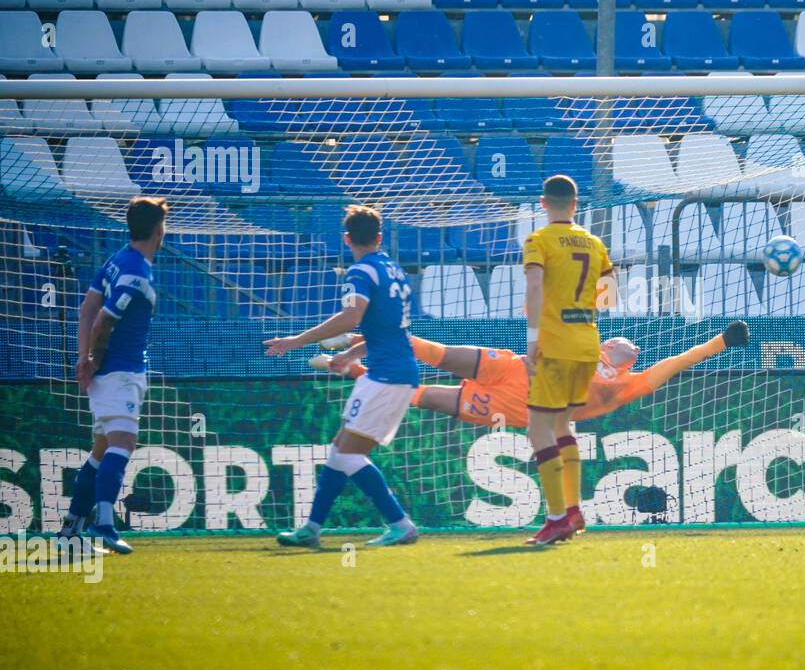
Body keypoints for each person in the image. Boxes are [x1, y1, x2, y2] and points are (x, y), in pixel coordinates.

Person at [264, 205, 421, 549]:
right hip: (390, 369)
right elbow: (387, 329)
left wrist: (297, 340)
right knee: (339, 452)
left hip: (387, 376)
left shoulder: (360, 272)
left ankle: (400, 524)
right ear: (379, 237)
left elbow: (352, 317)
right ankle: (312, 528)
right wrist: (351, 354)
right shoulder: (393, 270)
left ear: (347, 239)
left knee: (348, 455)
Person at [313, 321, 751, 429]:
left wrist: (720, 343)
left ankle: (358, 369)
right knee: (434, 353)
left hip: (516, 407)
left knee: (419, 394)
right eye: (620, 340)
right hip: (513, 368)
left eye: (630, 348)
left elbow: (676, 363)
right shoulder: (589, 345)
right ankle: (357, 337)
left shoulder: (627, 384)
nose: (625, 342)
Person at [59, 196, 169, 555]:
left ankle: (70, 532)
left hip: (113, 371)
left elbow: (86, 308)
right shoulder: (136, 270)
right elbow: (104, 319)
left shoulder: (116, 259)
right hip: (119, 370)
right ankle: (103, 524)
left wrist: (83, 357)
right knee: (123, 444)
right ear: (158, 229)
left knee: (101, 451)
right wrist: (91, 358)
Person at [520, 174, 615, 545]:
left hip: (555, 345)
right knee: (562, 426)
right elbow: (608, 299)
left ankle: (557, 517)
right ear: (575, 204)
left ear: (544, 203)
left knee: (537, 429)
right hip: (587, 344)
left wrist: (533, 339)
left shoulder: (538, 240)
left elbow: (533, 286)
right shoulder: (594, 243)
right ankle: (573, 510)